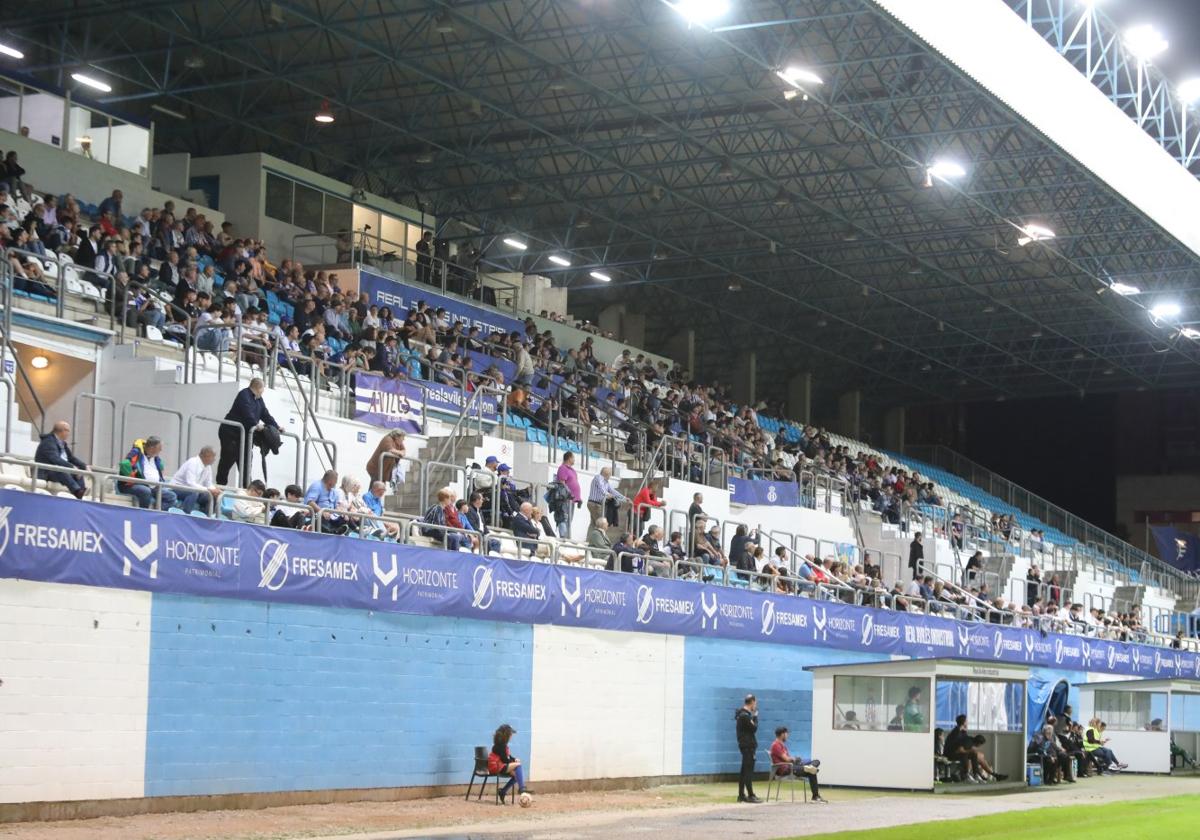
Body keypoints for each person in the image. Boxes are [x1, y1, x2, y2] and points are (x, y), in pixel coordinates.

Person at [218, 378, 279, 487]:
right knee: (227, 461)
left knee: (246, 465)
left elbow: (265, 414)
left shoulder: (259, 399)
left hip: (245, 437)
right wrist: (255, 425)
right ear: (259, 388)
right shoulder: (244, 395)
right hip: (231, 434)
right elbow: (247, 413)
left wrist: (276, 426)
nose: (263, 391)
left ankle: (246, 490)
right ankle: (220, 487)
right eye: (263, 389)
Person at [118, 436, 177, 509]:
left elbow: (160, 470)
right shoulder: (136, 453)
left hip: (153, 487)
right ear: (152, 448)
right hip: (133, 485)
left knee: (171, 496)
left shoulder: (156, 458)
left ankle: (156, 515)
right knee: (145, 491)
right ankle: (144, 514)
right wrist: (131, 476)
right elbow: (125, 464)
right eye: (159, 448)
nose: (161, 450)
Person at [768, 726, 825, 803]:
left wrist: (795, 759)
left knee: (816, 761)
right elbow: (786, 759)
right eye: (786, 733)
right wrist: (794, 759)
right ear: (782, 734)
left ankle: (809, 767)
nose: (787, 735)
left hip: (791, 766)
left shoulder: (782, 745)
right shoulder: (776, 745)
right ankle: (815, 796)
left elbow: (788, 758)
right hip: (786, 769)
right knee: (812, 772)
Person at [33, 420, 89, 498]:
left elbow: (71, 458)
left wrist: (84, 466)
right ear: (62, 431)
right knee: (61, 471)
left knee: (78, 473)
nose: (69, 433)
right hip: (46, 472)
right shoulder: (48, 442)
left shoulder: (62, 443)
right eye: (68, 431)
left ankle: (81, 493)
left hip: (57, 470)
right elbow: (55, 459)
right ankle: (77, 492)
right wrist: (72, 467)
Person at [487, 723, 532, 804]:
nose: (512, 736)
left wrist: (514, 759)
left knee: (516, 775)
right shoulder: (500, 746)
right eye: (511, 734)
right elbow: (505, 760)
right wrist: (514, 762)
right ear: (507, 735)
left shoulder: (502, 745)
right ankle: (522, 788)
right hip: (496, 767)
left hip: (499, 766)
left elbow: (508, 757)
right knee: (518, 766)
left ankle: (503, 791)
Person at [170, 445, 221, 514]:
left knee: (211, 496)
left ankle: (206, 519)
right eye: (213, 456)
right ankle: (185, 515)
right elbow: (190, 483)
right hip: (178, 488)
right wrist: (208, 490)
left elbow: (208, 484)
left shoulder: (208, 467)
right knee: (194, 492)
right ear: (207, 455)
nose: (214, 459)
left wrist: (215, 490)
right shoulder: (193, 462)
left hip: (194, 490)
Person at [735, 694, 761, 803]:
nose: (756, 705)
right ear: (752, 702)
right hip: (748, 746)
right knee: (748, 771)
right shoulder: (745, 715)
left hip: (746, 746)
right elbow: (754, 728)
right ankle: (750, 795)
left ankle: (741, 795)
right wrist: (755, 716)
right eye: (755, 703)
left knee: (744, 771)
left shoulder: (743, 714)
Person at [304, 469, 347, 534]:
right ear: (331, 480)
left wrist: (341, 512)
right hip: (318, 517)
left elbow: (337, 506)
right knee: (320, 520)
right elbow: (310, 502)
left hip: (332, 518)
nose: (336, 482)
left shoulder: (334, 491)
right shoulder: (317, 486)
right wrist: (322, 512)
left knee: (345, 519)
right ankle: (333, 532)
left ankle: (354, 530)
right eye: (336, 480)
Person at [552, 451, 581, 539]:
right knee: (564, 518)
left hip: (572, 499)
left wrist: (578, 498)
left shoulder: (572, 470)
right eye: (573, 458)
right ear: (569, 458)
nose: (574, 460)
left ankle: (567, 538)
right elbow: (562, 483)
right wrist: (569, 493)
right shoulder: (563, 468)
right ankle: (563, 538)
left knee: (569, 520)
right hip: (565, 499)